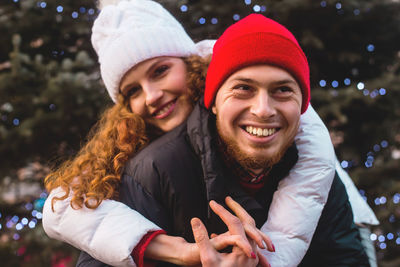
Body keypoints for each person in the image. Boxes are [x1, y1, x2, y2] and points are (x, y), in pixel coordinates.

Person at [42, 1, 377, 266]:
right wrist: (174, 249)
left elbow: (315, 167)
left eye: (160, 71)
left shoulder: (260, 88)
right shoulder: (144, 156)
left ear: (196, 66)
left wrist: (267, 259)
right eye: (133, 91)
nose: (152, 95)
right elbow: (65, 208)